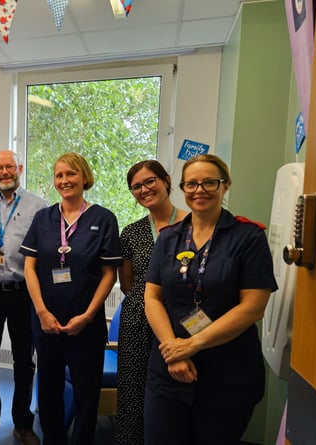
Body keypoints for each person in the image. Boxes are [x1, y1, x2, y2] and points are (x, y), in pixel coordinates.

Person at [143, 154, 278, 445]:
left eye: (209, 183)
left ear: (225, 186)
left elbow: (253, 307)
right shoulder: (169, 238)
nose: (199, 190)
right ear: (182, 188)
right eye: (191, 184)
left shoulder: (248, 237)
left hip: (228, 371)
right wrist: (173, 350)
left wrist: (191, 345)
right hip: (169, 368)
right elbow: (152, 297)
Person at [20, 152, 122, 445]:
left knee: (86, 394)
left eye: (71, 174)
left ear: (84, 178)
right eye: (60, 175)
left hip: (85, 325)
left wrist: (88, 316)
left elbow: (109, 274)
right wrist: (41, 312)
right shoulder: (44, 218)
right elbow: (30, 266)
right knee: (49, 390)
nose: (65, 180)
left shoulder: (103, 219)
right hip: (46, 322)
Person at [0, 150, 47, 445]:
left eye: (9, 167)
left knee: (24, 362)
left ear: (20, 169)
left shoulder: (40, 207)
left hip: (23, 292)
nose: (4, 172)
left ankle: (23, 422)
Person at [115, 160, 187, 445]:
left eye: (149, 181)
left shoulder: (193, 225)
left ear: (166, 180)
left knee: (173, 388)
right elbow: (127, 284)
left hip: (180, 320)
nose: (144, 190)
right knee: (133, 389)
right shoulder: (131, 233)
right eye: (136, 186)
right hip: (136, 320)